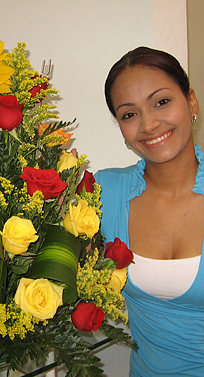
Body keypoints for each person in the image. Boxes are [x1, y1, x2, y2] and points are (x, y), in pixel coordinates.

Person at [95, 46, 204, 377]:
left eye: (161, 102)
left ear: (192, 102)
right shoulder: (104, 192)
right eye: (129, 114)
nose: (149, 124)